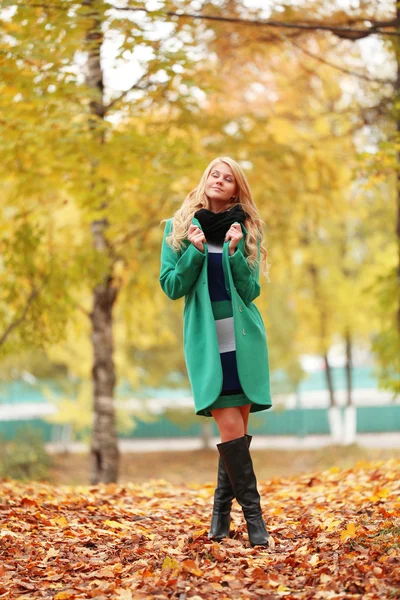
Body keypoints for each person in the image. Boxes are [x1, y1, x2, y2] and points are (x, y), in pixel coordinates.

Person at [159, 156, 272, 547]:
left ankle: (220, 521)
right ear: (205, 179)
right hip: (209, 343)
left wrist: (237, 251)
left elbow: (251, 291)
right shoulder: (177, 229)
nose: (220, 181)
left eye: (228, 178)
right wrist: (193, 251)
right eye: (214, 174)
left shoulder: (247, 229)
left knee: (235, 436)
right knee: (230, 431)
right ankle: (256, 524)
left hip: (244, 342)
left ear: (237, 188)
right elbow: (172, 286)